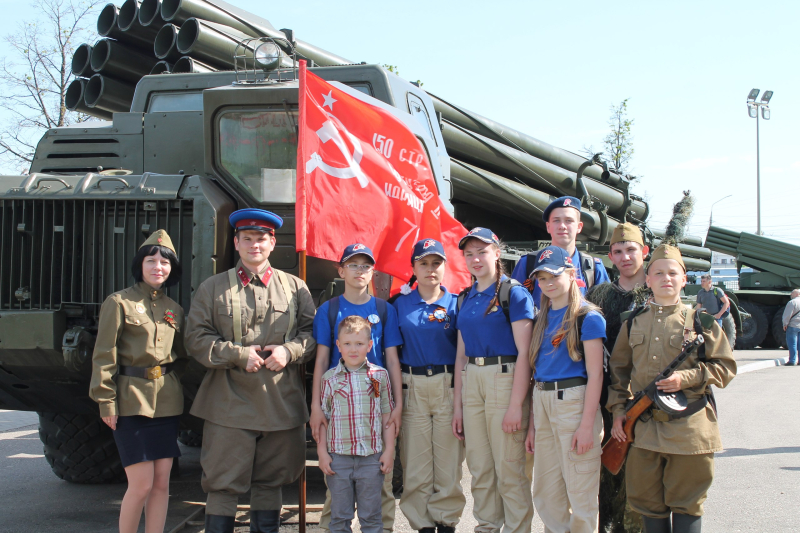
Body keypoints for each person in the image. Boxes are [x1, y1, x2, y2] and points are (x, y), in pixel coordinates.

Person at [185, 209, 317, 533]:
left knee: (272, 481)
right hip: (228, 402)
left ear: (272, 243)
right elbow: (195, 338)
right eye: (247, 239)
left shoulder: (295, 287)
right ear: (236, 242)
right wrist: (236, 354)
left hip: (281, 401)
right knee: (222, 483)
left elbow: (313, 333)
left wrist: (290, 351)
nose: (254, 245)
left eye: (261, 239)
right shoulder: (213, 287)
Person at [607, 244, 737, 533]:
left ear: (684, 278)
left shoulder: (702, 324)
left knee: (687, 504)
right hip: (643, 431)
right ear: (647, 279)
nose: (666, 278)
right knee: (647, 505)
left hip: (689, 431)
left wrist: (686, 378)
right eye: (658, 273)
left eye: (673, 273)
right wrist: (618, 412)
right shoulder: (633, 322)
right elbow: (618, 374)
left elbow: (725, 368)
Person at [90, 229, 186, 533]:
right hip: (131, 401)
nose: (158, 266)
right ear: (140, 265)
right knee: (141, 485)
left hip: (167, 401)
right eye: (151, 260)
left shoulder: (175, 309)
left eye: (165, 262)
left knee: (161, 484)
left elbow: (180, 355)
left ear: (172, 269)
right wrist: (106, 401)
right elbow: (104, 355)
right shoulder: (119, 303)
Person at [310, 243, 404, 533]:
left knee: (381, 481)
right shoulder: (329, 310)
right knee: (335, 486)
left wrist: (398, 405)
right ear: (341, 270)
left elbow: (391, 359)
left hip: (376, 402)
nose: (360, 270)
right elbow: (322, 359)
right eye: (353, 264)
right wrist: (315, 406)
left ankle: (381, 529)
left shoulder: (383, 310)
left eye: (365, 265)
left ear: (373, 271)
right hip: (340, 403)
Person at [452, 227, 535, 533]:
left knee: (509, 468)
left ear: (497, 253)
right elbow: (461, 355)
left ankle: (517, 529)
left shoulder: (513, 293)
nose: (475, 259)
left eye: (482, 252)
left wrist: (517, 405)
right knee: (480, 467)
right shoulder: (465, 297)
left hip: (505, 376)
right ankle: (486, 526)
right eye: (469, 253)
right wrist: (458, 405)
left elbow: (525, 353)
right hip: (472, 377)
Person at [525, 245, 606, 533]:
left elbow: (596, 375)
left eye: (554, 276)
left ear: (572, 274)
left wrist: (587, 426)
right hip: (543, 399)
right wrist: (533, 426)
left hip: (573, 402)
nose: (547, 284)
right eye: (542, 278)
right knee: (547, 492)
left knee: (580, 490)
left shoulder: (588, 317)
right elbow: (538, 374)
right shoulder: (541, 319)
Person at [391, 239, 465, 533]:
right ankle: (421, 525)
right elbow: (392, 353)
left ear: (445, 267)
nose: (430, 269)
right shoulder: (399, 304)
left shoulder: (457, 303)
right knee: (416, 465)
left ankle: (446, 521)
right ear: (413, 268)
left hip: (447, 385)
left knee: (448, 463)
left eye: (436, 263)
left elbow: (464, 352)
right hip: (413, 385)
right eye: (423, 263)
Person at [585, 222, 651, 531]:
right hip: (602, 398)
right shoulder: (598, 294)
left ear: (644, 252)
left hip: (644, 402)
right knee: (605, 476)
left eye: (631, 250)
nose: (625, 257)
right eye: (618, 252)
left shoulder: (655, 293)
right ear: (611, 256)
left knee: (641, 480)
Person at [318, 315, 396, 533]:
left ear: (369, 346)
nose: (354, 349)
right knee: (339, 517)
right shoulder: (329, 379)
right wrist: (322, 453)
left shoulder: (378, 377)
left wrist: (388, 450)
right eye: (348, 344)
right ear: (338, 346)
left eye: (360, 344)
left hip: (371, 458)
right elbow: (323, 419)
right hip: (338, 458)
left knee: (371, 517)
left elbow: (386, 414)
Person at [511, 196, 610, 304]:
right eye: (556, 220)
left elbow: (605, 309)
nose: (562, 226)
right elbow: (514, 305)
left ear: (579, 227)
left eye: (569, 221)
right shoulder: (528, 263)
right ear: (548, 227)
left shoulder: (592, 268)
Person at [694, 274, 735, 349]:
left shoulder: (717, 291)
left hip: (716, 318)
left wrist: (719, 314)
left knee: (717, 336)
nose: (702, 283)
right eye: (701, 281)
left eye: (704, 281)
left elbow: (726, 303)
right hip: (706, 318)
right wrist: (697, 316)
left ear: (710, 282)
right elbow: (698, 306)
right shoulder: (700, 292)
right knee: (706, 336)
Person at [782, 289, 800, 365]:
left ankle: (792, 361)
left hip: (793, 325)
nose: (791, 295)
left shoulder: (792, 302)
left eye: (792, 294)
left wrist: (785, 324)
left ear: (796, 294)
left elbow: (787, 314)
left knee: (792, 344)